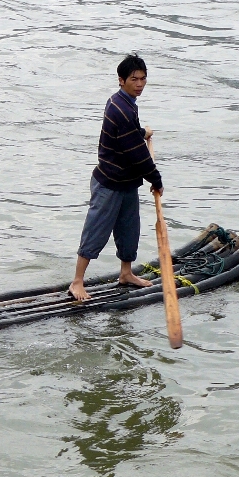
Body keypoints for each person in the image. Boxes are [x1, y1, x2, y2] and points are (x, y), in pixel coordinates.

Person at [69, 54, 163, 301]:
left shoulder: (126, 102)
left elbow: (129, 134)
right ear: (121, 80)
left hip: (127, 182)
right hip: (110, 182)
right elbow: (137, 154)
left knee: (129, 229)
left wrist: (142, 132)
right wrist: (156, 179)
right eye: (134, 79)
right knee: (96, 230)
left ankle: (126, 273)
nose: (140, 84)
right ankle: (77, 282)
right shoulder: (121, 107)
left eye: (143, 79)